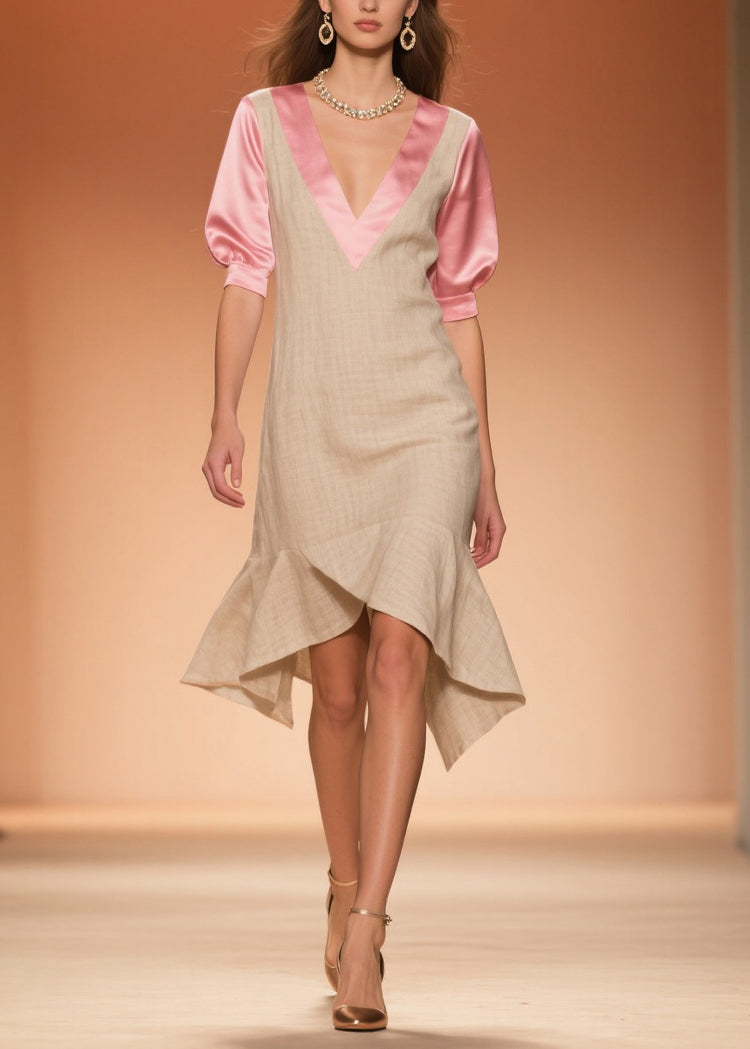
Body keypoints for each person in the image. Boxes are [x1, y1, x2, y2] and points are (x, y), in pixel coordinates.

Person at [180, 0, 526, 1032]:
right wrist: (223, 412)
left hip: (426, 426)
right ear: (325, 4)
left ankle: (370, 923)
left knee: (399, 660)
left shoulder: (454, 138)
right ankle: (342, 882)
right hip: (312, 425)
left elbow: (459, 305)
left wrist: (485, 467)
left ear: (412, 7)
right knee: (336, 690)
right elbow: (247, 272)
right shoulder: (264, 121)